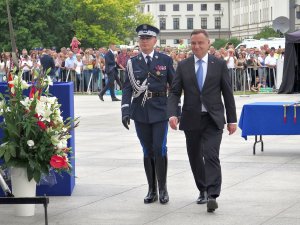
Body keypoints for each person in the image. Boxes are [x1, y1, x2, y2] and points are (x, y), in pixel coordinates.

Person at [167, 29, 237, 213]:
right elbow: (174, 92)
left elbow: (227, 93)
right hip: (191, 119)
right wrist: (173, 113)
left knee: (211, 154)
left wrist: (232, 120)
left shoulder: (219, 64)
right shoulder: (183, 65)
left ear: (208, 44)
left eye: (200, 43)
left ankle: (213, 194)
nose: (196, 46)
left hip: (213, 119)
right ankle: (203, 189)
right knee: (195, 156)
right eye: (193, 43)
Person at [121, 24, 176, 204]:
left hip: (160, 110)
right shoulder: (132, 62)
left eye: (147, 38)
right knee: (147, 150)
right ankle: (151, 189)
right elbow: (127, 88)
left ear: (155, 40)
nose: (144, 41)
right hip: (140, 111)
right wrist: (125, 110)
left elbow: (174, 87)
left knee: (159, 148)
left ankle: (163, 188)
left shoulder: (165, 60)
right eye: (141, 38)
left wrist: (176, 110)